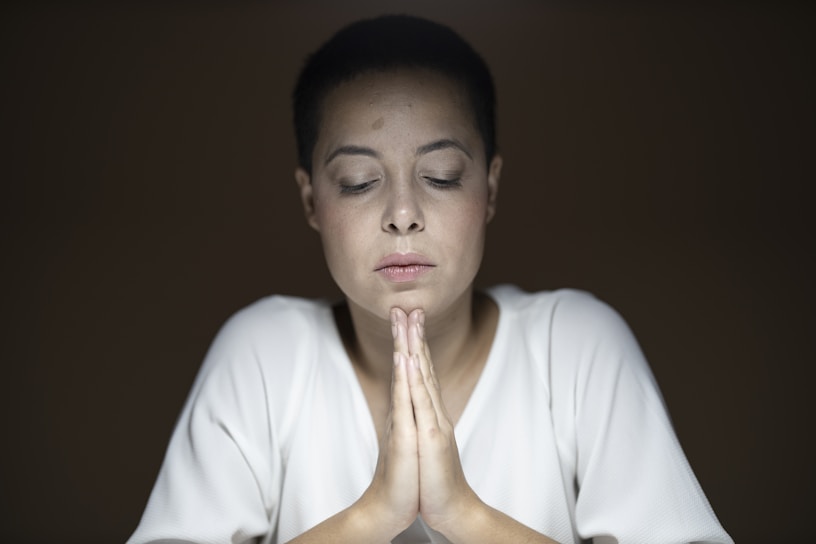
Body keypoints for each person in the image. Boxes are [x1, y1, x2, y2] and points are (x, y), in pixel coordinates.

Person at [127, 14, 733, 544]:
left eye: (441, 176)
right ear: (311, 200)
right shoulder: (262, 354)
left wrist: (465, 516)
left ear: (489, 189)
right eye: (359, 182)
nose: (402, 213)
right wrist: (370, 518)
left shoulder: (574, 348)